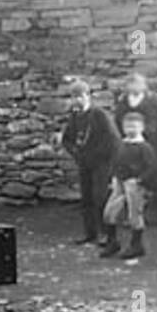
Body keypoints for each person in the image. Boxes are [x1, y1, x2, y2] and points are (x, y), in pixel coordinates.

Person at [59, 80, 120, 245]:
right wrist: (76, 153)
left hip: (102, 164)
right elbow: (67, 140)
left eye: (80, 96)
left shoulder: (99, 115)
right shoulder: (74, 117)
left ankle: (106, 234)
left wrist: (105, 160)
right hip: (84, 164)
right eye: (74, 97)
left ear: (88, 96)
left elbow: (113, 141)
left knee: (100, 198)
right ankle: (90, 233)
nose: (77, 100)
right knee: (86, 199)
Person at [100, 111, 157, 259]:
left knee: (134, 215)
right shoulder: (122, 144)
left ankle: (137, 245)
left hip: (134, 184)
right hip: (119, 182)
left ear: (142, 128)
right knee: (109, 213)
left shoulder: (144, 147)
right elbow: (115, 162)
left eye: (134, 126)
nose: (130, 130)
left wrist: (140, 180)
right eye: (127, 126)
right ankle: (112, 242)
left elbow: (153, 167)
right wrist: (113, 177)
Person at [113, 73, 157, 226]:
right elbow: (118, 120)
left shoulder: (151, 101)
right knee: (128, 180)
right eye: (131, 85)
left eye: (137, 85)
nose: (134, 88)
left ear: (143, 85)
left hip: (150, 144)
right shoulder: (123, 101)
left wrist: (147, 134)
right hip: (130, 145)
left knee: (156, 179)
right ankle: (130, 216)